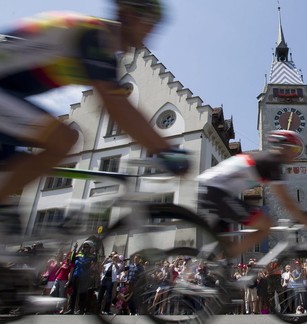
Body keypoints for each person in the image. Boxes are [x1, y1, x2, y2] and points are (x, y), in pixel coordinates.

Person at [0, 0, 190, 210]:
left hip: (8, 92)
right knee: (63, 139)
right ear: (132, 17)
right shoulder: (96, 36)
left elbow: (113, 106)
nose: (149, 38)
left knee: (13, 169)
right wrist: (165, 150)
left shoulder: (101, 44)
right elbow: (116, 106)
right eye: (149, 28)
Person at [197, 130, 307, 258]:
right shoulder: (272, 161)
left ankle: (215, 269)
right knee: (266, 225)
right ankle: (220, 264)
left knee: (228, 246)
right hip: (217, 192)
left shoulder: (265, 158)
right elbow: (286, 201)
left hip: (212, 191)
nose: (295, 155)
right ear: (284, 147)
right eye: (294, 150)